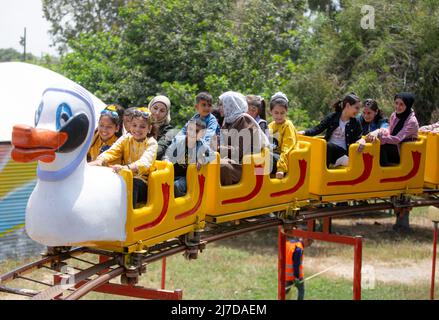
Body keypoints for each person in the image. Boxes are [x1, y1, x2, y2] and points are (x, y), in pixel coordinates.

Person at [89, 108, 158, 207]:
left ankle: (129, 218)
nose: (137, 129)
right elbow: (113, 151)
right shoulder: (126, 138)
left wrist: (127, 168)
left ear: (149, 129)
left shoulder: (151, 143)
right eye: (134, 125)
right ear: (130, 126)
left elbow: (145, 162)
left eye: (142, 127)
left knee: (132, 185)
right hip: (125, 176)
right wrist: (100, 160)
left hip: (143, 182)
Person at [299, 93, 364, 168]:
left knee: (326, 145)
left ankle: (323, 170)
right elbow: (318, 129)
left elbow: (358, 137)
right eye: (356, 108)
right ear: (348, 106)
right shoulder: (333, 117)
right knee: (320, 146)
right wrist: (304, 132)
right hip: (328, 151)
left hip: (343, 154)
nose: (358, 111)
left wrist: (361, 140)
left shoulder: (356, 123)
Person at [218, 91, 269, 185]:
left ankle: (227, 196)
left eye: (222, 104)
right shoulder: (228, 121)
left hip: (248, 165)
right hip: (233, 160)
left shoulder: (245, 120)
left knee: (223, 166)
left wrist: (218, 148)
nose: (219, 108)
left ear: (231, 104)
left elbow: (239, 151)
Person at [366, 92, 419, 166]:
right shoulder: (394, 115)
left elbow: (397, 139)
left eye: (401, 104)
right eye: (396, 103)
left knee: (380, 147)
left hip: (404, 152)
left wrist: (380, 138)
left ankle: (385, 172)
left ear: (408, 105)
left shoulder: (412, 121)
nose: (397, 106)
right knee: (373, 144)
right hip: (395, 146)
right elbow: (389, 130)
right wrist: (380, 131)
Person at [164, 118, 214, 197]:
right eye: (190, 129)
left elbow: (211, 155)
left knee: (177, 185)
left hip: (187, 177)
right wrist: (166, 161)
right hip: (173, 172)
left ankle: (182, 201)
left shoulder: (202, 145)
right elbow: (168, 154)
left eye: (196, 131)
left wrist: (202, 159)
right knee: (163, 183)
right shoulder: (178, 141)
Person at [268, 92, 298, 179]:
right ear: (271, 112)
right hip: (274, 156)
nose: (279, 116)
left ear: (286, 112)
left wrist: (280, 168)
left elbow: (287, 149)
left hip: (285, 160)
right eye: (276, 113)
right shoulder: (270, 125)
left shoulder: (287, 125)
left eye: (282, 113)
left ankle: (258, 178)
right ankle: (255, 177)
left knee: (266, 157)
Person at [149, 95, 174, 160]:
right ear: (150, 107)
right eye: (155, 108)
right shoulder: (138, 122)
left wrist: (144, 156)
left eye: (162, 111)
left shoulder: (168, 130)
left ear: (166, 113)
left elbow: (160, 147)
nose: (157, 113)